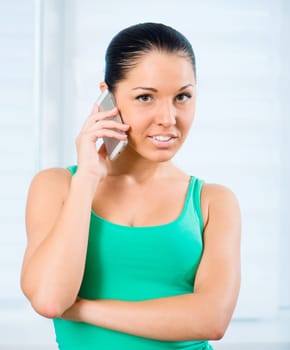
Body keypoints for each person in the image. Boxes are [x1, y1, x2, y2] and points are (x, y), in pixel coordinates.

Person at [21, 22, 241, 350]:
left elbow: (211, 319)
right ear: (107, 97)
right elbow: (51, 300)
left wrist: (83, 310)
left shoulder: (213, 202)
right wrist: (87, 178)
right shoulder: (58, 187)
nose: (168, 117)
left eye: (183, 96)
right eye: (145, 97)